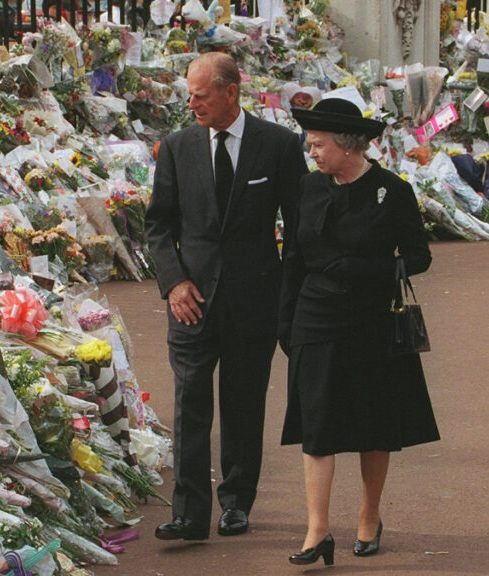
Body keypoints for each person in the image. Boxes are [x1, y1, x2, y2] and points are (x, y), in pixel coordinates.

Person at [144, 52, 307, 541]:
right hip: (190, 302)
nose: (191, 103)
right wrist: (173, 283)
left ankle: (236, 503)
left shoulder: (277, 145)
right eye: (188, 94)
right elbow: (158, 226)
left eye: (201, 94)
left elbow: (298, 227)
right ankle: (189, 513)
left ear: (231, 92)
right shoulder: (176, 147)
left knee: (242, 404)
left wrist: (289, 296)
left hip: (254, 301)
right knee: (189, 404)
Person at [279, 97, 439, 565]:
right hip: (315, 316)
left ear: (348, 146)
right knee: (317, 427)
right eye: (310, 144)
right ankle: (317, 531)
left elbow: (419, 256)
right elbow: (292, 258)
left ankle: (369, 516)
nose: (313, 152)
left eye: (319, 144)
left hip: (371, 321)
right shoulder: (308, 188)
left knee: (374, 425)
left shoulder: (393, 190)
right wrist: (285, 322)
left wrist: (372, 268)